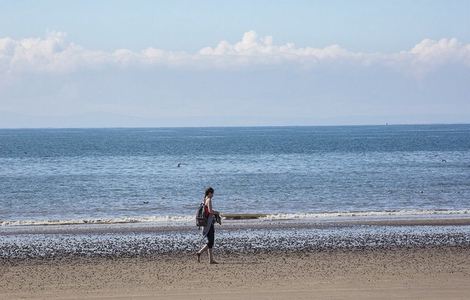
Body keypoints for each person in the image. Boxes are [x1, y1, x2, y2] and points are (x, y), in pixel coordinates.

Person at [196, 187, 219, 264]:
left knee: (210, 241)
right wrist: (217, 212)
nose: (213, 195)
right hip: (209, 223)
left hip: (205, 223)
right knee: (211, 242)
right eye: (212, 193)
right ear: (209, 193)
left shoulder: (204, 199)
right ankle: (200, 252)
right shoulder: (209, 200)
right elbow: (210, 211)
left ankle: (211, 260)